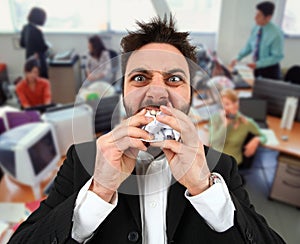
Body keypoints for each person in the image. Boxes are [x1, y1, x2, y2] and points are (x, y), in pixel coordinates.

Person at [9, 15, 285, 244]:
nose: (156, 92)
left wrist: (205, 189)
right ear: (123, 92)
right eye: (140, 78)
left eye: (174, 79)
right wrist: (99, 191)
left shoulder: (221, 168)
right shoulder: (81, 161)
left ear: (191, 94)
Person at [209, 88, 267, 166]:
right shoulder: (215, 119)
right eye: (227, 104)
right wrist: (225, 124)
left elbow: (264, 136)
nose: (232, 106)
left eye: (234, 102)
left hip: (233, 163)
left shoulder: (245, 122)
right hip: (216, 161)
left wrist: (257, 140)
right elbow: (214, 142)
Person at [231, 1, 284, 80]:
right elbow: (249, 46)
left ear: (268, 17)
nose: (255, 18)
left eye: (258, 15)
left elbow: (276, 57)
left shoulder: (276, 33)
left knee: (265, 92)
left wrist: (258, 64)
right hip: (257, 69)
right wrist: (238, 57)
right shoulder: (256, 28)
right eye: (256, 14)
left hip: (270, 71)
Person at [20, 7, 49, 79]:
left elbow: (22, 44)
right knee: (42, 82)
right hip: (38, 61)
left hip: (29, 60)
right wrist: (48, 45)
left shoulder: (25, 28)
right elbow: (43, 48)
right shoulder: (37, 31)